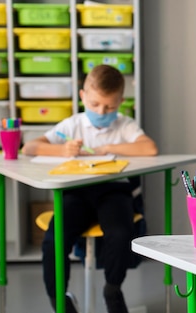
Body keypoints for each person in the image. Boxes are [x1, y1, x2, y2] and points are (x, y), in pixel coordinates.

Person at [22, 64, 158, 313]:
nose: (102, 112)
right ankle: (59, 300)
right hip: (77, 191)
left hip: (114, 191)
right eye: (95, 104)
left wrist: (107, 148)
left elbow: (149, 148)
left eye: (110, 107)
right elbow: (29, 148)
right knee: (54, 240)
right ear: (83, 96)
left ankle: (113, 289)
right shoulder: (72, 125)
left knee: (120, 233)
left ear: (120, 102)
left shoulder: (124, 125)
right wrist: (62, 150)